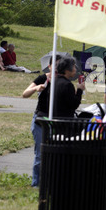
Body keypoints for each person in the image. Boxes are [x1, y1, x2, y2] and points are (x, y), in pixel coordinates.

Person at [23, 54, 62, 187]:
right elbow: (25, 94)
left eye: (59, 66)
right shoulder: (42, 78)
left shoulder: (62, 81)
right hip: (40, 120)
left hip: (55, 121)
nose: (56, 68)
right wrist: (36, 88)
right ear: (49, 66)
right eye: (54, 65)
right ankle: (36, 184)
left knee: (54, 154)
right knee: (40, 154)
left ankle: (50, 183)